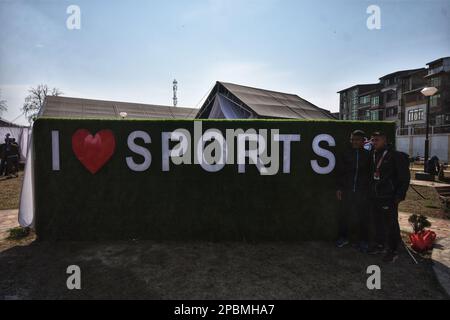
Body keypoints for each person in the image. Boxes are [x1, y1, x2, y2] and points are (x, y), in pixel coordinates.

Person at [368, 132, 410, 263]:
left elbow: (404, 178)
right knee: (377, 222)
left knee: (391, 223)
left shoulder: (395, 155)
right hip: (376, 195)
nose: (374, 142)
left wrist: (399, 195)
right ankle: (380, 245)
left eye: (377, 140)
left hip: (389, 196)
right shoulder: (374, 154)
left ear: (385, 141)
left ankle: (393, 250)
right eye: (373, 140)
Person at [336, 130, 371, 252]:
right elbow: (340, 172)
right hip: (347, 190)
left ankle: (363, 241)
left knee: (363, 216)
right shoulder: (345, 154)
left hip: (362, 192)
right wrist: (339, 188)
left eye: (357, 139)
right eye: (352, 139)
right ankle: (343, 238)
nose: (354, 142)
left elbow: (371, 174)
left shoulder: (368, 155)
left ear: (363, 141)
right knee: (344, 215)